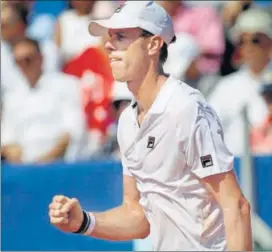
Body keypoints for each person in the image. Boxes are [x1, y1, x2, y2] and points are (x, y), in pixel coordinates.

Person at [49, 1, 252, 251]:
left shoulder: (184, 107)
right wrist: (84, 222)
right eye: (110, 37)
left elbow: (235, 205)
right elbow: (137, 216)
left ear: (154, 45)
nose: (109, 45)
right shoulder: (126, 121)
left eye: (121, 37)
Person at [1, 37, 89, 164]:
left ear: (41, 58)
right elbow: (6, 137)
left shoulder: (66, 85)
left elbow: (73, 130)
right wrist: (11, 151)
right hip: (23, 166)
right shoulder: (12, 96)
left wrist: (45, 160)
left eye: (28, 59)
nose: (23, 65)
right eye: (18, 62)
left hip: (58, 164)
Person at [208, 7, 272, 156]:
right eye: (242, 41)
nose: (248, 47)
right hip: (236, 170)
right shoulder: (226, 87)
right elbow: (208, 132)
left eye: (255, 40)